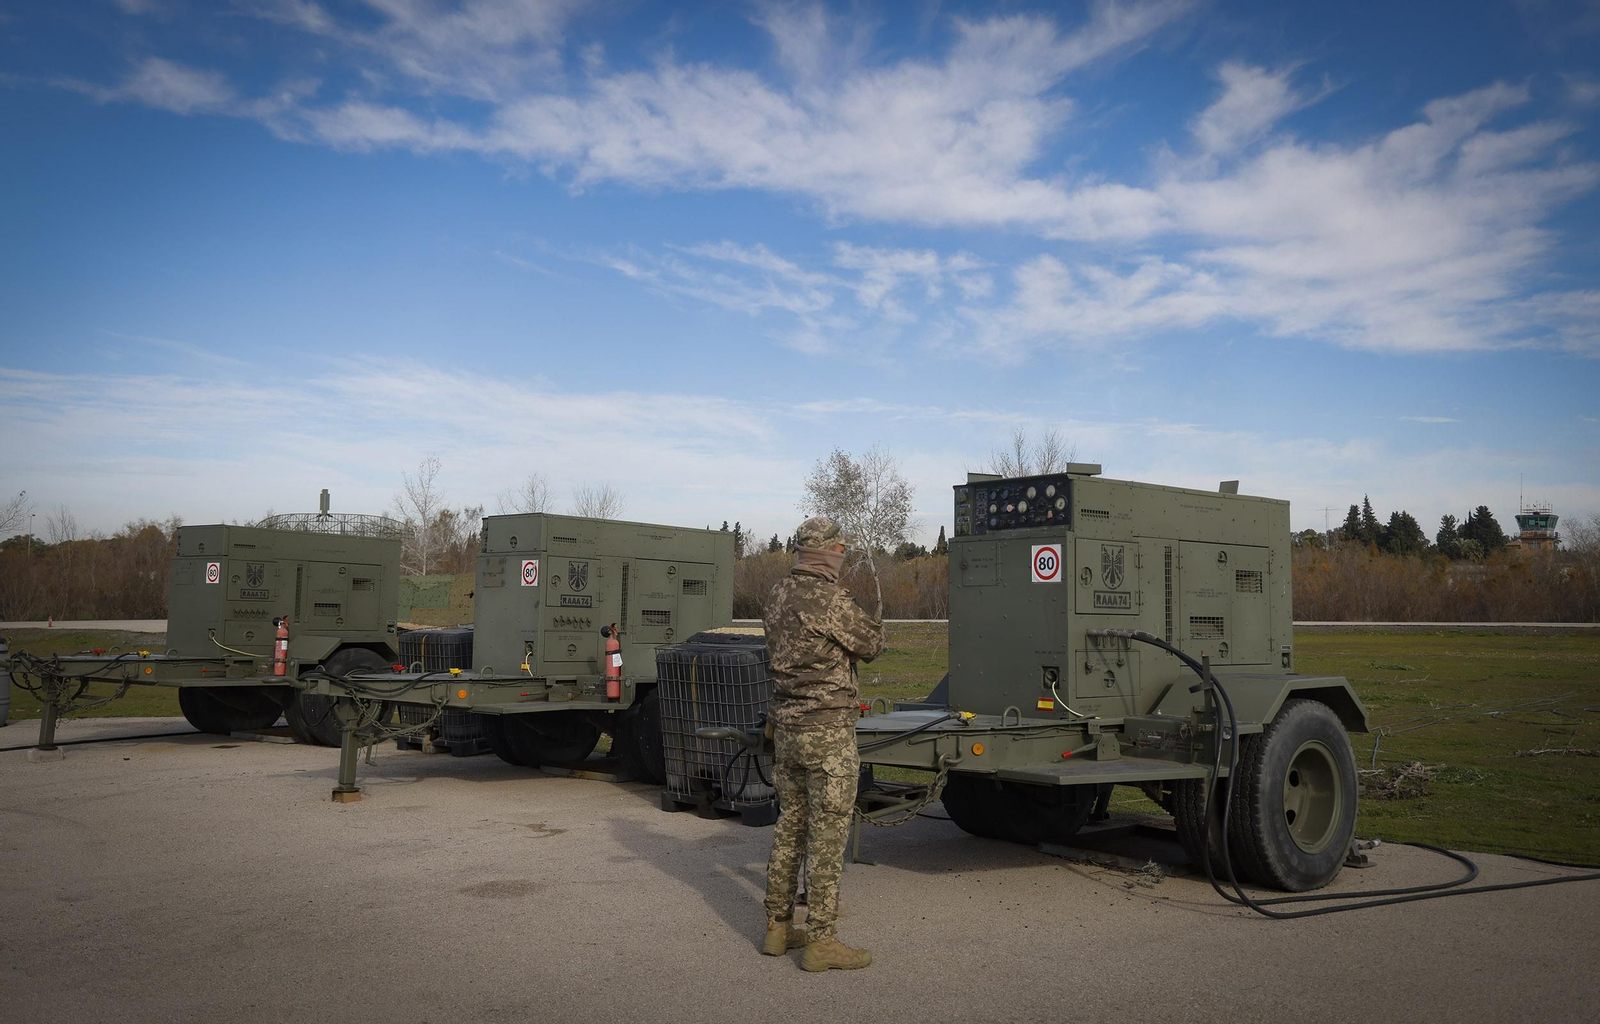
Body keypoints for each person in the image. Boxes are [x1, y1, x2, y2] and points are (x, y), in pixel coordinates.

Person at [760, 515, 884, 971]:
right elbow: (872, 643)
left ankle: (777, 927)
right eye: (840, 549)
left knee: (790, 824)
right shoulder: (831, 599)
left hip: (787, 729)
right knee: (828, 835)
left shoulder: (776, 594)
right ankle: (822, 941)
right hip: (827, 730)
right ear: (829, 552)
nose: (842, 554)